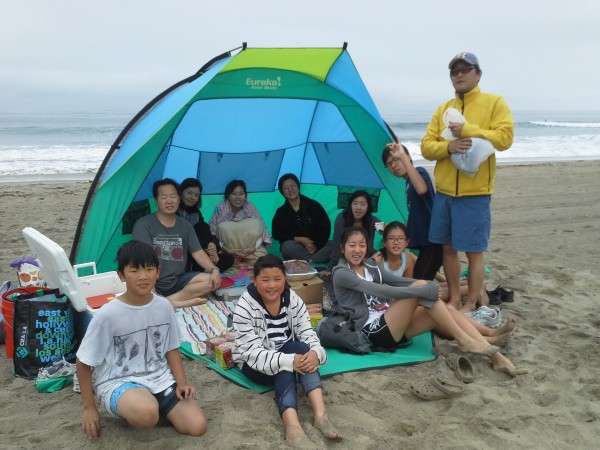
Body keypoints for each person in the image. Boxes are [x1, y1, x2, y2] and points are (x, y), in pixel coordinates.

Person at [332, 227, 525, 376]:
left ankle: (496, 356)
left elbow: (396, 281)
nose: (357, 250)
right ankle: (467, 340)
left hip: (391, 322)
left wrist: (428, 285)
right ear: (342, 248)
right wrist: (423, 289)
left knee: (443, 306)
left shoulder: (370, 265)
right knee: (419, 290)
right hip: (371, 330)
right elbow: (382, 290)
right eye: (352, 245)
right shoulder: (341, 272)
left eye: (362, 245)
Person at [76, 240, 208, 439]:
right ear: (121, 275)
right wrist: (89, 408)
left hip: (160, 379)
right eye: (134, 270)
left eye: (149, 269)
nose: (143, 276)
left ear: (158, 271)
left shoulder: (164, 307)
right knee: (146, 412)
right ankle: (150, 411)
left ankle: (158, 410)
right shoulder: (107, 315)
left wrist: (181, 383)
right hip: (119, 382)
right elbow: (84, 361)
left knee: (197, 426)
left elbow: (171, 348)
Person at [421, 52, 514, 311]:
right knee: (448, 250)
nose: (459, 74)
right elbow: (426, 147)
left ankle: (472, 302)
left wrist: (469, 130)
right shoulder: (443, 109)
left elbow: (505, 138)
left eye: (465, 69)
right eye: (454, 71)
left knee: (473, 251)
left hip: (475, 193)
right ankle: (454, 297)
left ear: (478, 74)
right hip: (445, 193)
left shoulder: (494, 103)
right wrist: (448, 147)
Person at [232, 255, 342, 446]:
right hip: (255, 365)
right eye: (265, 280)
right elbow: (252, 353)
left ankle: (321, 416)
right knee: (285, 365)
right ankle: (292, 426)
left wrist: (316, 353)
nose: (272, 285)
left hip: (288, 354)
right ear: (255, 281)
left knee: (303, 349)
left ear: (285, 279)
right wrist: (289, 361)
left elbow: (307, 332)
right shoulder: (245, 306)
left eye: (277, 279)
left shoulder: (293, 299)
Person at [132, 178, 221, 308]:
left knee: (211, 280)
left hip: (178, 280)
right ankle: (177, 301)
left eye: (173, 196)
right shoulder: (143, 225)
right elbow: (143, 260)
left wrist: (214, 269)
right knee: (140, 288)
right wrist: (151, 285)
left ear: (179, 199)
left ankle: (168, 302)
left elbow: (198, 252)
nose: (169, 201)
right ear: (156, 201)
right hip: (151, 281)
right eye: (164, 197)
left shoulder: (186, 226)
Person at [373, 221, 492, 307]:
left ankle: (472, 287)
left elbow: (409, 285)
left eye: (400, 239)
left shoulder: (407, 258)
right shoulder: (378, 260)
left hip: (404, 294)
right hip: (393, 296)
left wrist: (442, 278)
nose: (396, 242)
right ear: (384, 242)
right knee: (433, 289)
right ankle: (475, 287)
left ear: (407, 242)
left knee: (433, 291)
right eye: (391, 238)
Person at [382, 142, 443, 280]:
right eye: (389, 164)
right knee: (420, 282)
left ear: (408, 157)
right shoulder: (408, 183)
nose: (393, 166)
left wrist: (402, 157)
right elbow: (417, 218)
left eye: (395, 159)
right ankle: (467, 287)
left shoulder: (419, 172)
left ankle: (470, 288)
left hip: (433, 242)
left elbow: (422, 189)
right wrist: (393, 229)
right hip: (426, 243)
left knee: (420, 283)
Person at [271, 173, 332, 263]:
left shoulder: (313, 205)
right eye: (286, 188)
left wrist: (316, 245)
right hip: (296, 247)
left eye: (292, 186)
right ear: (282, 192)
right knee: (287, 247)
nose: (290, 190)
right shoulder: (281, 212)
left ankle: (309, 260)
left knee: (336, 244)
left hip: (317, 246)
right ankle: (313, 259)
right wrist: (298, 239)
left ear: (298, 187)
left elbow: (325, 227)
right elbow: (277, 234)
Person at [177, 178, 234, 273]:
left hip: (199, 253)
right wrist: (206, 246)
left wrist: (213, 245)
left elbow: (206, 231)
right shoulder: (174, 212)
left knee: (229, 258)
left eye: (196, 195)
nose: (192, 197)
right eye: (189, 193)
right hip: (182, 254)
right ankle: (202, 269)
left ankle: (204, 269)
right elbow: (185, 237)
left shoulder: (195, 213)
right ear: (181, 192)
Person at [209, 179, 271, 264]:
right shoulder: (220, 208)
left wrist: (253, 248)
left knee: (256, 223)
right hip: (226, 252)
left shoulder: (250, 207)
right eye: (234, 194)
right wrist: (228, 250)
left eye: (241, 194)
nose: (238, 197)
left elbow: (262, 231)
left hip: (252, 251)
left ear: (245, 196)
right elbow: (212, 233)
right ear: (228, 196)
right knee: (222, 227)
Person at [325, 189, 382, 273]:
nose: (358, 207)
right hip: (346, 258)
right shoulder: (341, 218)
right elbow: (337, 243)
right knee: (327, 249)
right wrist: (331, 268)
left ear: (368, 207)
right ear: (350, 205)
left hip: (365, 258)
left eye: (363, 204)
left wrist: (387, 230)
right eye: (355, 203)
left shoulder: (372, 220)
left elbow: (387, 230)